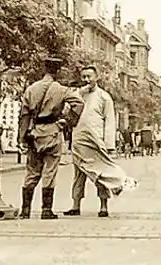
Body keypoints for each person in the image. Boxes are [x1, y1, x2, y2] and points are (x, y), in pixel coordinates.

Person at [17, 56, 86, 220]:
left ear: (44, 69)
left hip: (34, 133)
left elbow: (24, 115)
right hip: (53, 132)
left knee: (32, 171)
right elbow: (79, 103)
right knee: (50, 171)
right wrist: (68, 121)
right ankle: (46, 210)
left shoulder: (31, 89)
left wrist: (22, 138)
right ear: (58, 71)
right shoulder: (62, 89)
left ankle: (25, 210)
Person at [65, 65, 129, 218]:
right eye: (84, 77)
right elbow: (66, 112)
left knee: (100, 173)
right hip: (79, 139)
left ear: (97, 77)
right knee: (78, 174)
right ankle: (75, 205)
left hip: (96, 140)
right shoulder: (77, 95)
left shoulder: (104, 97)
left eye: (89, 76)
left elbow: (110, 122)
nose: (87, 80)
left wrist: (109, 145)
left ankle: (103, 206)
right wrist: (77, 93)